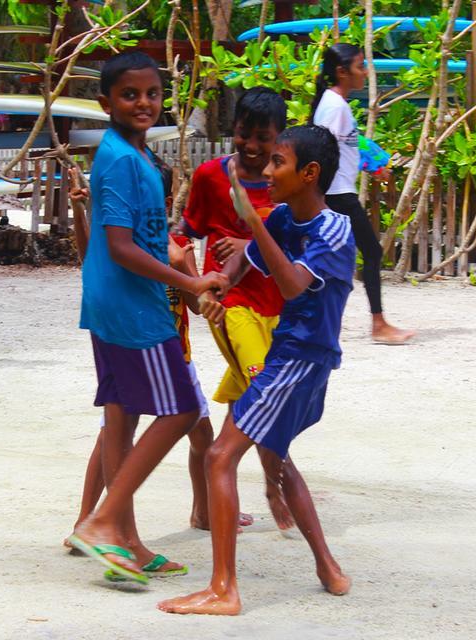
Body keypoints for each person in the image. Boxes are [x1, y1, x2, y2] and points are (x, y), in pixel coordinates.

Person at [159, 125, 353, 616]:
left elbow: (290, 286)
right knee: (277, 456)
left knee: (220, 457)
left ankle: (224, 588)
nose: (267, 171)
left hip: (298, 360)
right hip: (294, 355)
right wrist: (220, 280)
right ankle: (328, 568)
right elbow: (247, 255)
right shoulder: (288, 215)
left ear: (309, 173)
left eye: (278, 163)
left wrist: (252, 219)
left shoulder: (333, 228)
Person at [67, 51, 228, 584]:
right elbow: (120, 247)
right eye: (130, 94)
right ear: (105, 102)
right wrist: (189, 281)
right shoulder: (118, 159)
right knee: (182, 409)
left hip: (111, 303)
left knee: (121, 416)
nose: (144, 103)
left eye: (153, 94)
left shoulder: (129, 154)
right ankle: (104, 521)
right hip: (133, 307)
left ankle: (125, 546)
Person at [65, 163, 243, 551]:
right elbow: (88, 261)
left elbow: (196, 306)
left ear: (160, 203)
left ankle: (202, 511)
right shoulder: (122, 242)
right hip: (139, 353)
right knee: (114, 436)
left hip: (176, 356)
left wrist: (194, 275)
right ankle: (88, 521)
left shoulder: (176, 248)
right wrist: (83, 213)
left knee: (200, 435)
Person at [179, 87, 298, 534]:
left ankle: (210, 499)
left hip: (276, 305)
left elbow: (298, 240)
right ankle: (275, 486)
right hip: (231, 305)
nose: (250, 146)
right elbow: (184, 234)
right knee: (264, 390)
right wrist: (194, 286)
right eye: (243, 134)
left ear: (278, 138)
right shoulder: (211, 177)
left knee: (250, 392)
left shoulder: (283, 182)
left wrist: (252, 243)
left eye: (261, 138)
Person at [311, 43, 415, 344]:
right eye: (360, 66)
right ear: (342, 72)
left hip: (337, 192)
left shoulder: (337, 104)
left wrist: (372, 165)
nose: (366, 72)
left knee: (330, 258)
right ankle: (378, 324)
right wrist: (322, 197)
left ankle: (357, 322)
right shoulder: (334, 106)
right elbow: (323, 149)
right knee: (369, 252)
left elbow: (347, 147)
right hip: (337, 194)